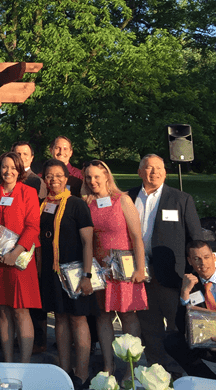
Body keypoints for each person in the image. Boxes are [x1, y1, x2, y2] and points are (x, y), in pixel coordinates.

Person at [128, 154, 203, 375]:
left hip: (172, 275)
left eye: (159, 168)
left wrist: (194, 274)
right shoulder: (128, 196)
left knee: (177, 326)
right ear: (140, 172)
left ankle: (184, 371)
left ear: (166, 172)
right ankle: (156, 372)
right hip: (140, 273)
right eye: (149, 168)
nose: (154, 172)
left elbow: (195, 238)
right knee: (149, 327)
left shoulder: (181, 199)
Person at [82, 160, 147, 375]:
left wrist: (140, 268)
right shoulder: (86, 202)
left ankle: (131, 368)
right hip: (99, 269)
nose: (92, 181)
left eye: (97, 176)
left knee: (128, 315)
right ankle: (108, 366)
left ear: (107, 177)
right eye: (88, 177)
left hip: (124, 267)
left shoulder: (123, 200)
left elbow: (137, 237)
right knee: (102, 316)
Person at [39, 159, 97, 386]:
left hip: (74, 272)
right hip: (52, 272)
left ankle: (82, 373)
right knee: (60, 318)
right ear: (45, 180)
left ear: (66, 178)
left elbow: (87, 242)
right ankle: (64, 371)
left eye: (58, 175)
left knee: (78, 319)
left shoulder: (77, 204)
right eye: (49, 176)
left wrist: (87, 275)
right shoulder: (43, 204)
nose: (54, 180)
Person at [0, 151, 41, 363]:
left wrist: (14, 253)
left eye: (12, 167)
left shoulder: (27, 192)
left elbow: (32, 226)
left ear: (19, 170)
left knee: (20, 310)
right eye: (4, 167)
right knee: (2, 310)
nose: (8, 171)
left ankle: (24, 363)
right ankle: (8, 361)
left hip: (19, 261)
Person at [164, 240, 216, 379]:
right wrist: (184, 294)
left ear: (214, 257)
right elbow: (181, 327)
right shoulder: (190, 284)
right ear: (190, 261)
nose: (203, 263)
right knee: (173, 341)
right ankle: (208, 380)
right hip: (206, 341)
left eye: (206, 257)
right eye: (196, 259)